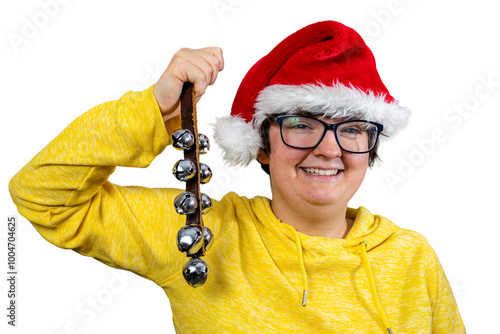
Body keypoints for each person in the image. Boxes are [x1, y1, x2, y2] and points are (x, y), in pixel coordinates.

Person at [9, 20, 465, 333]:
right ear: (262, 144)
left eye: (352, 129)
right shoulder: (200, 232)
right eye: (302, 123)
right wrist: (154, 109)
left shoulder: (411, 258)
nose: (329, 148)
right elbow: (42, 194)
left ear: (371, 148)